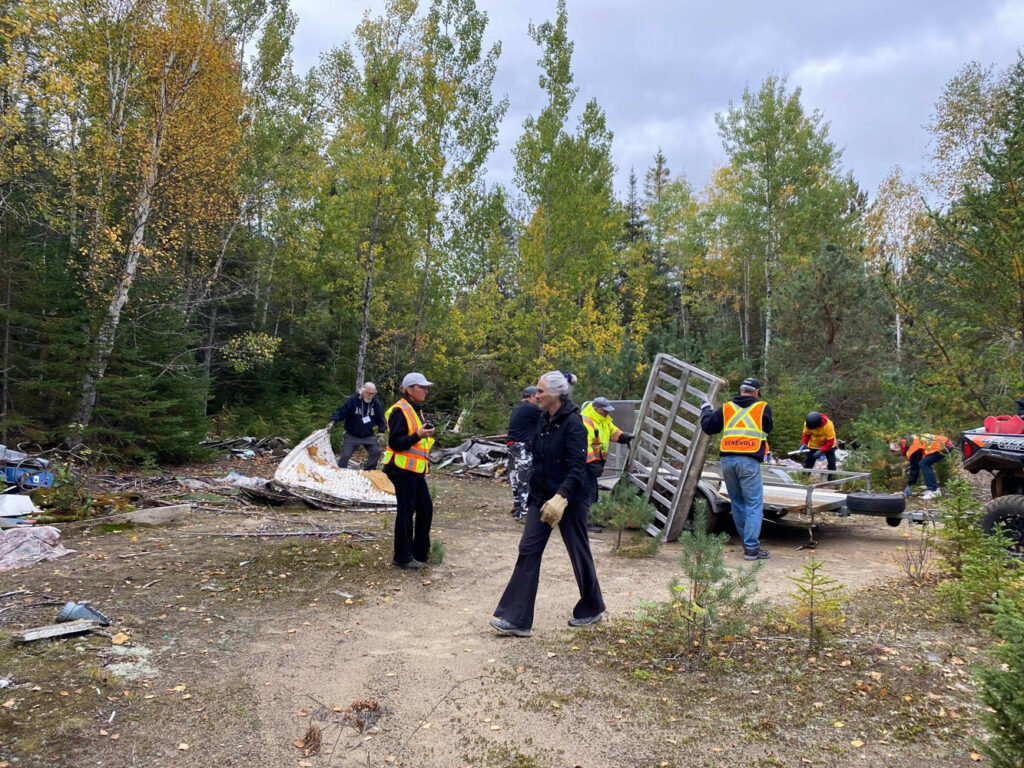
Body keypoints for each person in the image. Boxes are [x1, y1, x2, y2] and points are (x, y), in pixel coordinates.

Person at [490, 371, 606, 638]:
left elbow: (579, 468)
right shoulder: (544, 419)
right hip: (541, 497)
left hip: (571, 499)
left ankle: (592, 606)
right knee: (528, 549)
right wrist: (537, 494)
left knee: (579, 551)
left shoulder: (575, 425)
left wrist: (562, 496)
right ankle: (516, 619)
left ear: (555, 394)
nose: (536, 395)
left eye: (541, 391)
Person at [700, 377, 774, 561]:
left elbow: (709, 427)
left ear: (741, 390)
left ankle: (747, 544)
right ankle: (751, 548)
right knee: (754, 504)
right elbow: (768, 428)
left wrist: (706, 409)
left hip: (727, 461)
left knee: (738, 503)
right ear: (756, 392)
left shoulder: (726, 408)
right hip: (748, 461)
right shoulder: (762, 407)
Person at [381, 373, 436, 570]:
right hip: (400, 469)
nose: (426, 390)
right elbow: (395, 443)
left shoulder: (416, 409)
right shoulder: (399, 410)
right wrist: (417, 435)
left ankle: (419, 552)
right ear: (409, 389)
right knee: (406, 512)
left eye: (426, 387)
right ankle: (402, 557)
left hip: (414, 469)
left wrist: (424, 435)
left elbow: (416, 440)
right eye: (422, 387)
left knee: (425, 508)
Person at [580, 396, 633, 532]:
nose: (607, 413)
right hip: (587, 462)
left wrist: (623, 436)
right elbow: (584, 446)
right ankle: (585, 522)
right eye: (605, 410)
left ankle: (591, 520)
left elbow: (613, 432)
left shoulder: (604, 420)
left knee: (593, 491)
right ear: (596, 409)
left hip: (596, 461)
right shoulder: (586, 422)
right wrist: (592, 464)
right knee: (588, 492)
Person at [326, 382, 388, 470]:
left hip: (368, 435)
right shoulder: (353, 400)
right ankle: (340, 473)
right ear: (362, 391)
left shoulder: (375, 403)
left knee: (376, 452)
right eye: (368, 393)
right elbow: (341, 412)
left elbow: (381, 418)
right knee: (345, 455)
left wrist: (381, 432)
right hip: (352, 434)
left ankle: (368, 472)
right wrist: (333, 421)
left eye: (372, 394)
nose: (370, 396)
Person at [507, 385, 543, 522]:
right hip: (522, 447)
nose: (539, 400)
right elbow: (547, 418)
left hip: (512, 446)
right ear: (532, 396)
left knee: (515, 478)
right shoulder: (531, 409)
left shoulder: (518, 407)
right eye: (537, 397)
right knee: (524, 478)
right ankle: (524, 512)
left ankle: (517, 508)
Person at [897, 433, 954, 500]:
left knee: (923, 464)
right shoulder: (912, 439)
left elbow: (915, 468)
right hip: (945, 443)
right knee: (924, 463)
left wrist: (909, 485)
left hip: (943, 447)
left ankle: (934, 491)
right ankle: (934, 489)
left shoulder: (913, 449)